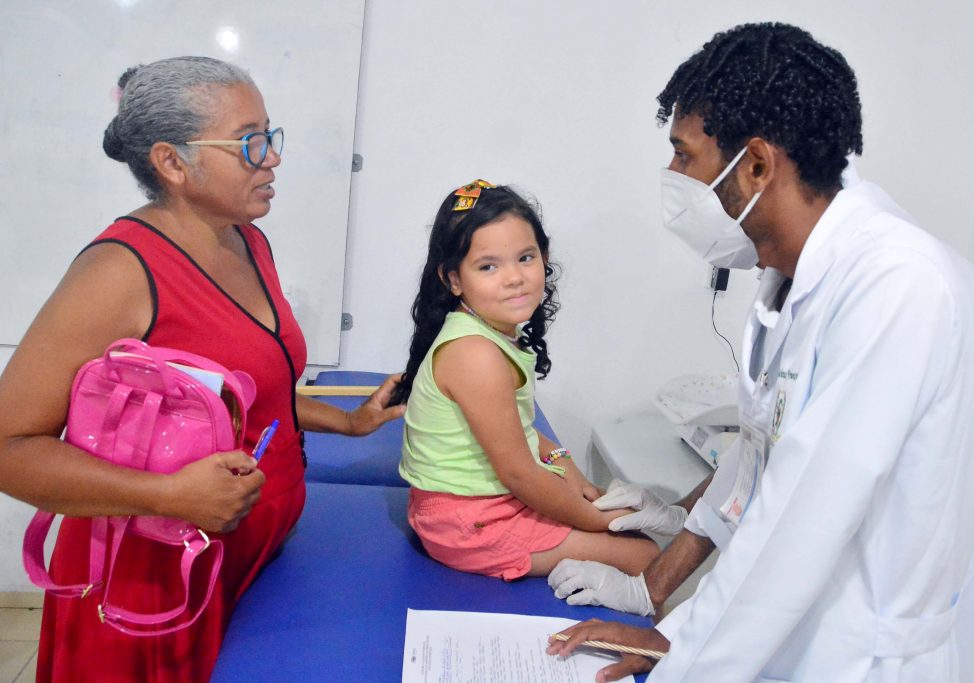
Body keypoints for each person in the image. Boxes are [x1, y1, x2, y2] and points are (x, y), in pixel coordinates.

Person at [547, 23, 974, 682]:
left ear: (755, 164)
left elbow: (798, 518)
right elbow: (761, 451)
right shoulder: (788, 276)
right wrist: (661, 614)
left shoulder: (895, 285)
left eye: (684, 155)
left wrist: (679, 656)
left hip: (866, 654)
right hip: (801, 635)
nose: (673, 177)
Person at [0, 56, 402, 683]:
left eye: (271, 135)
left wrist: (347, 423)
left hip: (249, 551)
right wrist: (168, 496)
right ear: (172, 162)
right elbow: (9, 447)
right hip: (158, 576)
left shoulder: (247, 239)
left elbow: (248, 394)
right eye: (250, 142)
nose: (273, 157)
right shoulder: (118, 272)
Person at [391, 180, 659, 581]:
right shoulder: (476, 354)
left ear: (544, 258)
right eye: (488, 266)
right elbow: (519, 473)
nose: (514, 277)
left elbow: (521, 432)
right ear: (454, 280)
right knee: (646, 555)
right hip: (468, 522)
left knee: (623, 525)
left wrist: (572, 474)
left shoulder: (490, 332)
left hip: (477, 506)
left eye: (525, 258)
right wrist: (595, 519)